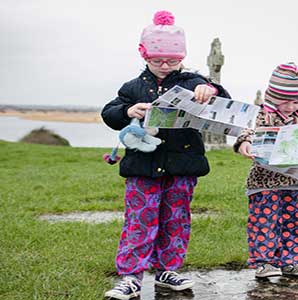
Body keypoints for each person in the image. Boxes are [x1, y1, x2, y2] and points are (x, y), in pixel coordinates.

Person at [101, 10, 230, 299]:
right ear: (144, 55)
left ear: (182, 56)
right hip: (141, 166)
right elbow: (109, 113)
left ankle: (167, 270)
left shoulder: (192, 80)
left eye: (172, 60)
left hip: (182, 165)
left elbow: (223, 98)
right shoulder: (132, 88)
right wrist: (127, 111)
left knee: (176, 219)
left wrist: (208, 89)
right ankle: (131, 276)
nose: (164, 65)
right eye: (157, 59)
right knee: (139, 220)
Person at [234, 63, 298, 278]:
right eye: (286, 101)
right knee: (265, 222)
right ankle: (264, 262)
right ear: (273, 96)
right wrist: (245, 142)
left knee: (293, 221)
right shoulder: (263, 114)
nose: (291, 107)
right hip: (264, 181)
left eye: (296, 101)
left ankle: (291, 261)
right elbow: (248, 131)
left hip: (294, 180)